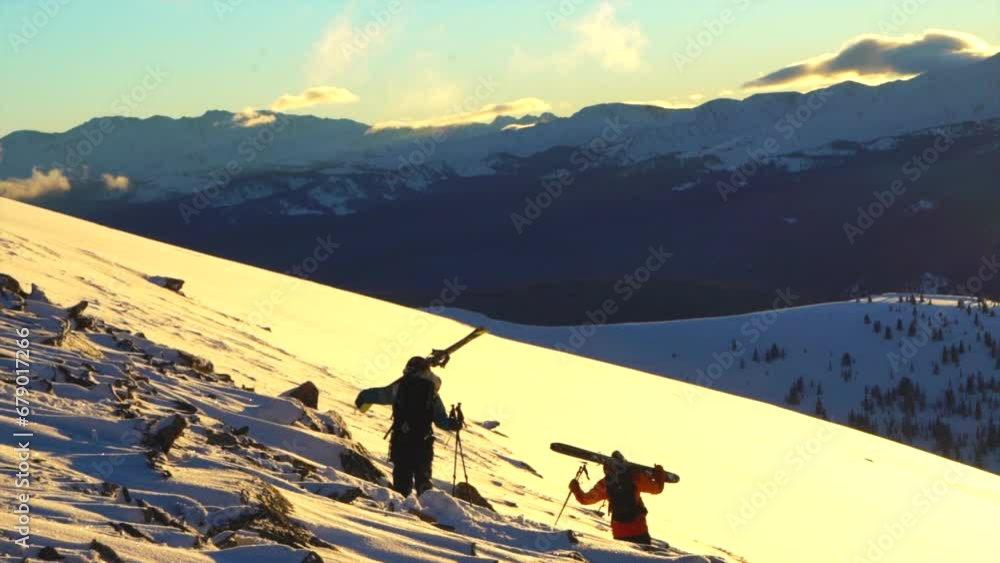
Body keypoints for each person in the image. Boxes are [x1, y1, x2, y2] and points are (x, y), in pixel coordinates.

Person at [355, 356, 463, 496]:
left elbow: (380, 395)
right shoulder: (431, 392)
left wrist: (363, 397)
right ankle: (429, 507)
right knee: (423, 482)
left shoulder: (400, 387)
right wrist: (453, 424)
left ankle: (402, 509)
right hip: (422, 442)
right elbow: (441, 421)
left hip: (401, 440)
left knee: (401, 480)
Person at [569, 451, 667, 545]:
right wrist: (659, 473)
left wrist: (575, 487)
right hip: (639, 529)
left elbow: (585, 499)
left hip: (619, 532)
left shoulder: (605, 483)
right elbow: (657, 488)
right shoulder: (635, 477)